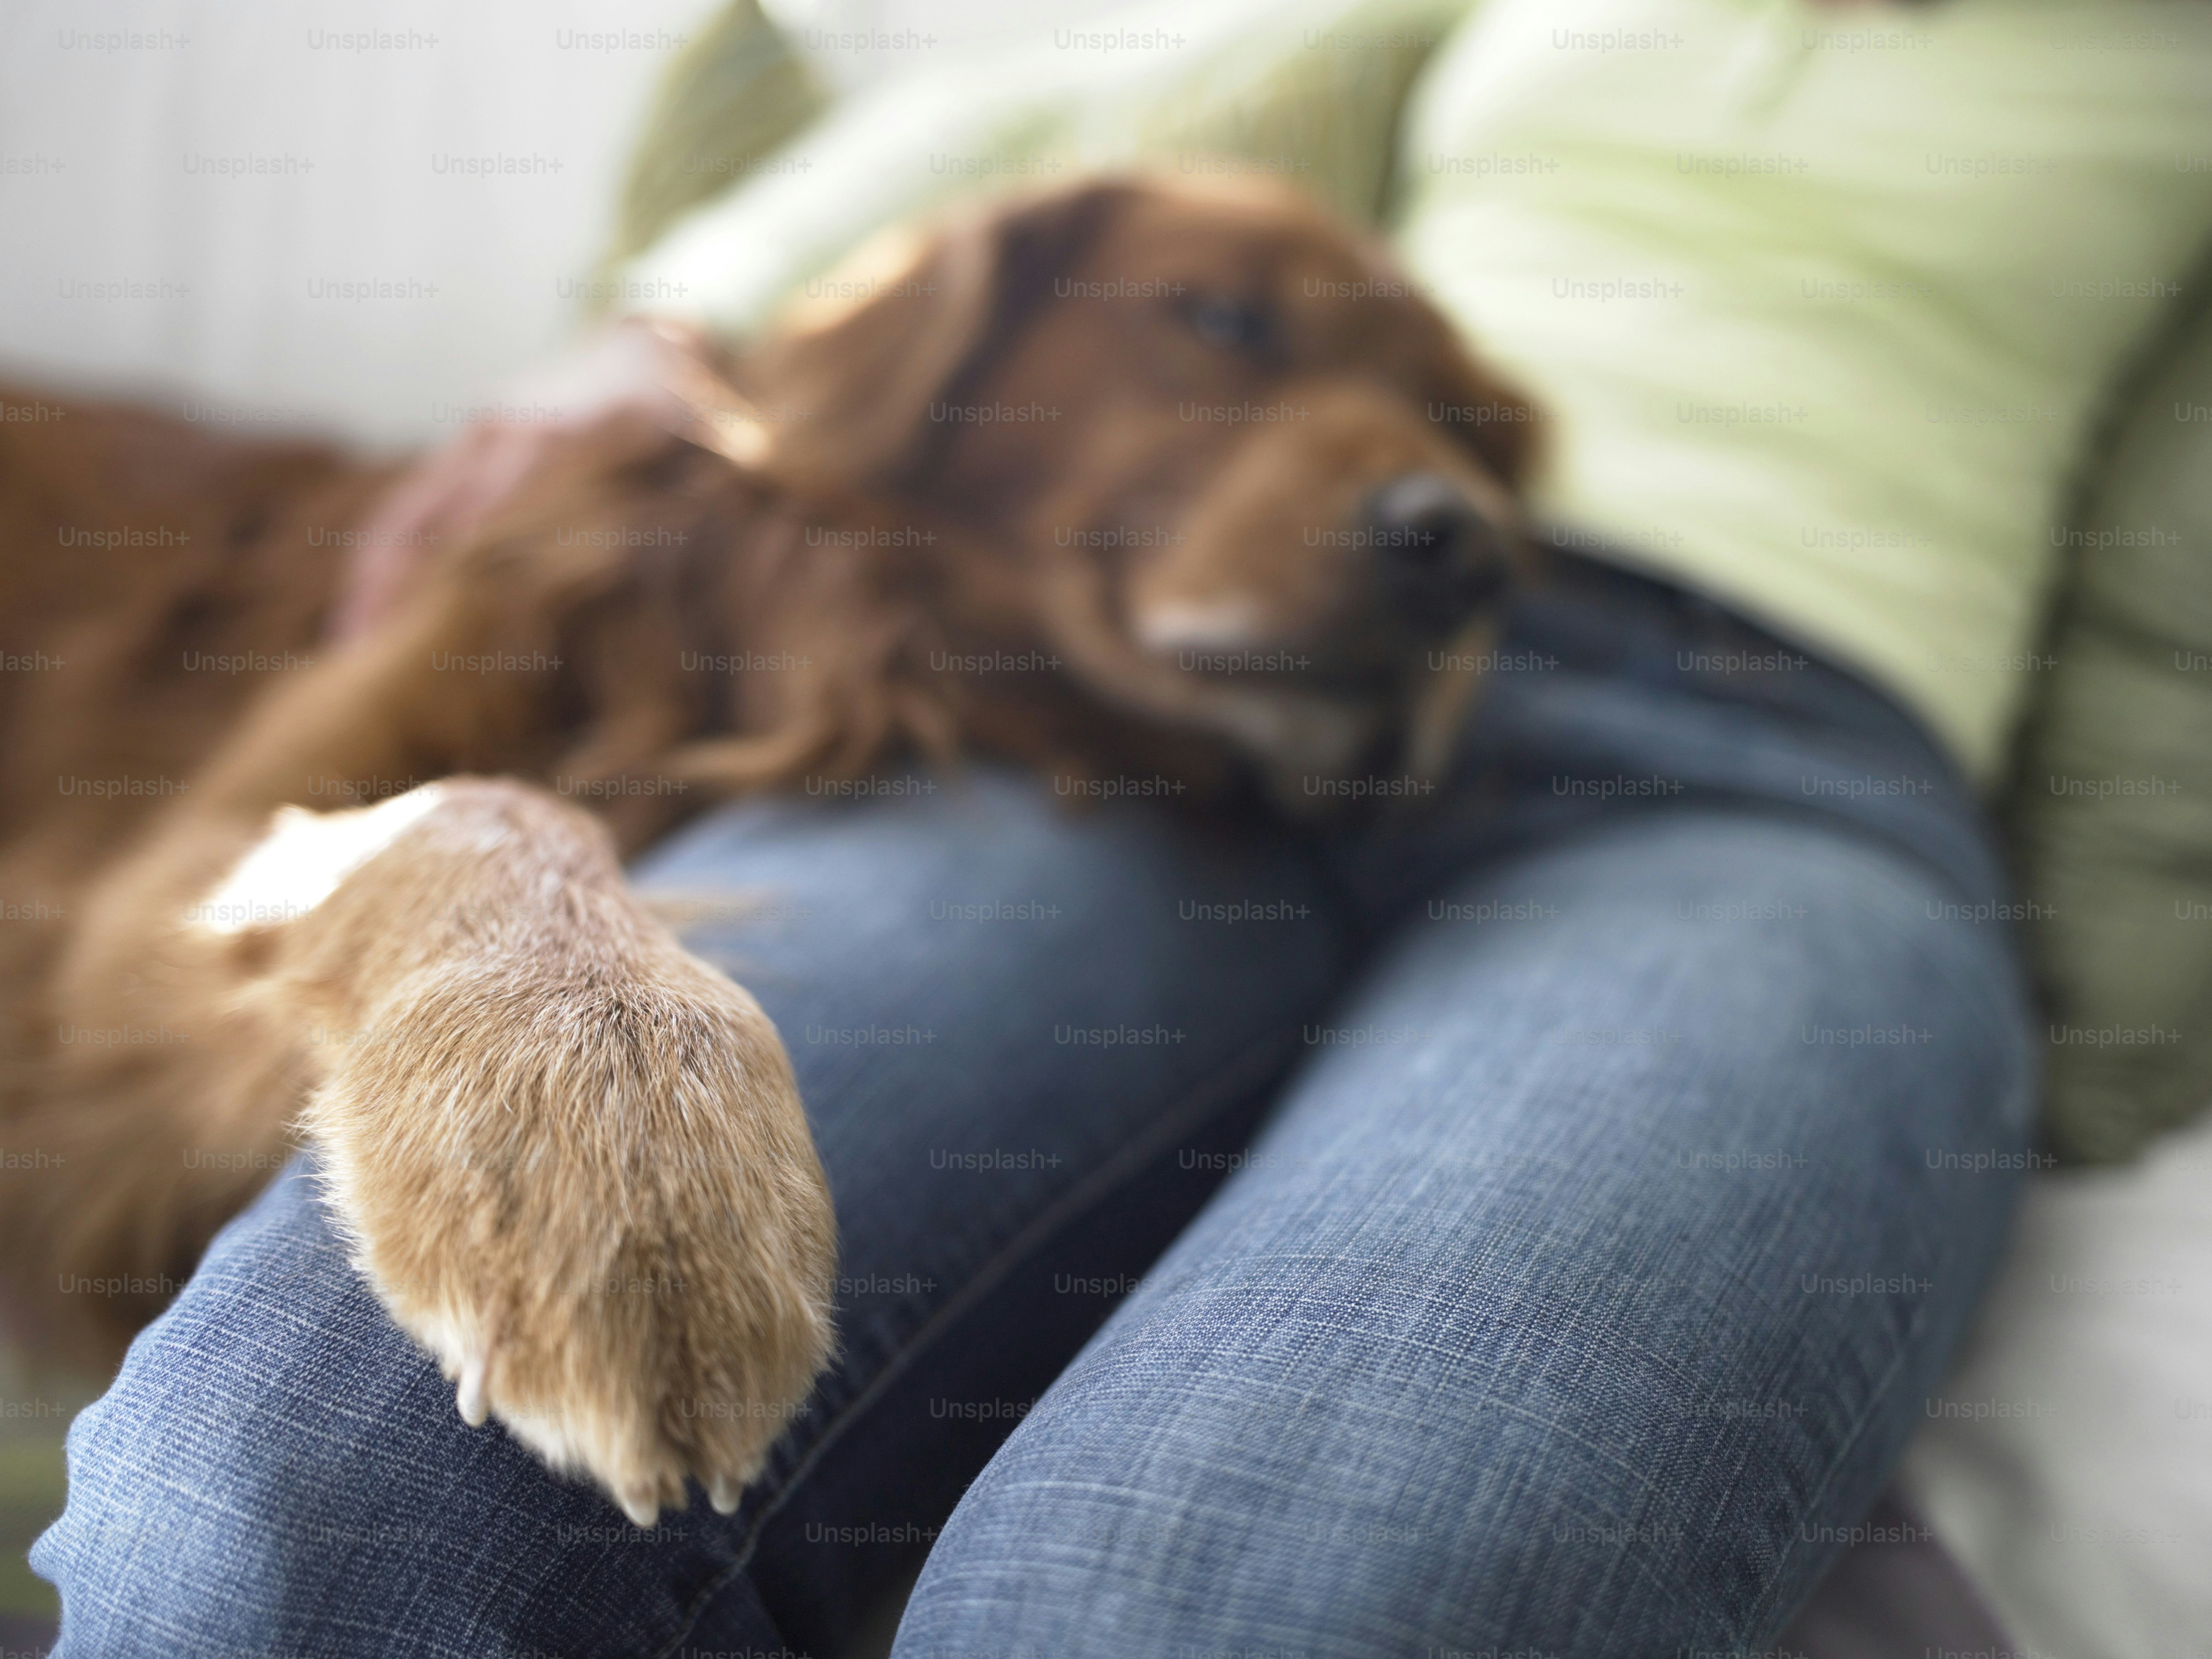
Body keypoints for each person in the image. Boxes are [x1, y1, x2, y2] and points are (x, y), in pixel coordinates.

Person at [32, 0, 2212, 1653]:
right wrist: (659, 330)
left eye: (1450, 439)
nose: (1423, 475)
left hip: (1760, 783)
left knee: (1215, 1594)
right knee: (301, 1493)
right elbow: (1010, 144)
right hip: (1109, 736)